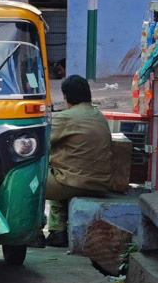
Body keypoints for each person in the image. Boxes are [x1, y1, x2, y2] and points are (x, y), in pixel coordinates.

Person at [42, 75, 113, 248]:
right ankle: (57, 231)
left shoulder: (66, 117)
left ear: (66, 97)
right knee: (59, 172)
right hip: (100, 184)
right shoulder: (99, 116)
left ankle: (33, 233)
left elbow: (40, 142)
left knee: (31, 182)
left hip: (76, 182)